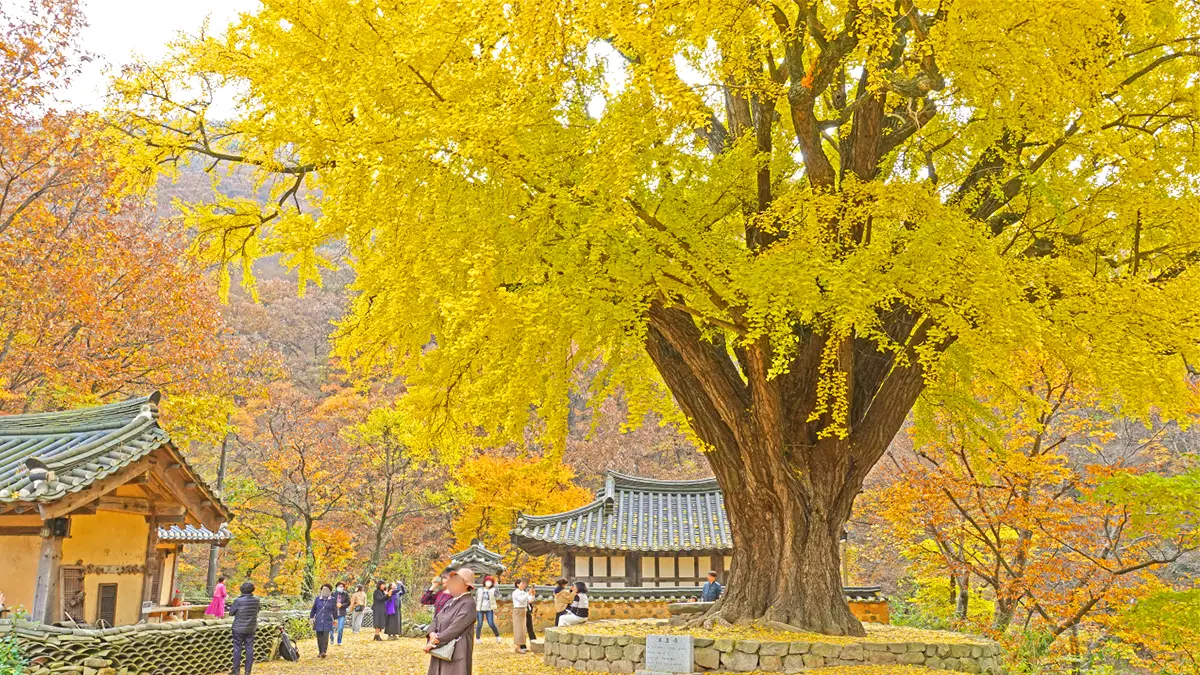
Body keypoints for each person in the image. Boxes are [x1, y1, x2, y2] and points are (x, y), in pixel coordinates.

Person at [424, 568, 478, 675]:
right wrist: (431, 633)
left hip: (457, 649)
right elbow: (437, 618)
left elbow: (456, 628)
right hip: (440, 648)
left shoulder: (468, 603)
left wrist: (436, 640)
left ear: (467, 585)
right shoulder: (451, 601)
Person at [229, 581, 261, 675]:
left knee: (237, 648)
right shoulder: (257, 600)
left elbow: (231, 613)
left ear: (242, 590)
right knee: (249, 648)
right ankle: (248, 672)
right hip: (251, 627)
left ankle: (236, 671)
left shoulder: (238, 601)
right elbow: (257, 610)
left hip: (238, 628)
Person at [309, 584, 337, 658]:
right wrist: (311, 617)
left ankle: (324, 652)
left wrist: (335, 619)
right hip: (318, 620)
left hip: (327, 620)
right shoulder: (317, 599)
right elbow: (314, 609)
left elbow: (334, 610)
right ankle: (320, 651)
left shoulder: (332, 600)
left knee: (325, 636)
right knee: (319, 636)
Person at [474, 575, 501, 643]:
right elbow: (476, 599)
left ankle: (497, 637)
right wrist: (475, 607)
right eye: (487, 581)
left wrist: (496, 586)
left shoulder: (492, 590)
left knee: (491, 623)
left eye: (490, 582)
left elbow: (498, 596)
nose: (488, 583)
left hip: (489, 609)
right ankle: (477, 638)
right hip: (480, 609)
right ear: (484, 582)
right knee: (479, 624)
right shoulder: (479, 590)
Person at [510, 579, 533, 653]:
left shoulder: (523, 592)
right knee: (518, 629)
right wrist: (528, 593)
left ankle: (522, 645)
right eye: (522, 584)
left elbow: (529, 600)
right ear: (517, 584)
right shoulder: (515, 593)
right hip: (518, 610)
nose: (524, 585)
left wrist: (532, 594)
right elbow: (521, 600)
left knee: (523, 629)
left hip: (524, 610)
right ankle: (517, 647)